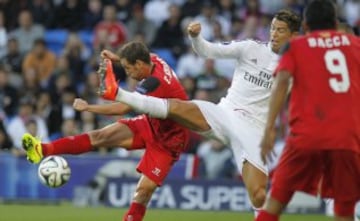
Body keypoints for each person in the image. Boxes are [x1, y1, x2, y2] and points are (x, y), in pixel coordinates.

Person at [98, 10, 301, 211]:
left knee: (258, 197)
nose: (274, 33)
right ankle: (118, 93)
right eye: (273, 28)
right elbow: (206, 50)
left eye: (280, 30)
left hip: (254, 130)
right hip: (225, 114)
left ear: (293, 35)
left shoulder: (298, 65)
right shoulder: (250, 48)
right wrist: (196, 37)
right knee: (176, 106)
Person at [22, 41, 190, 221]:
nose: (127, 72)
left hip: (170, 138)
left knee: (143, 191)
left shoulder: (155, 82)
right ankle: (41, 150)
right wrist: (116, 58)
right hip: (152, 123)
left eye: (128, 68)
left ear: (139, 64)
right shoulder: (153, 60)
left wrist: (89, 108)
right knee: (100, 136)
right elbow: (142, 55)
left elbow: (123, 107)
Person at [257, 1, 360, 221]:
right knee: (345, 212)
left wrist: (269, 130)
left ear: (305, 25)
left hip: (305, 137)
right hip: (347, 139)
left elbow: (282, 81)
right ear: (334, 23)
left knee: (274, 204)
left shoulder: (296, 46)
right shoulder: (355, 45)